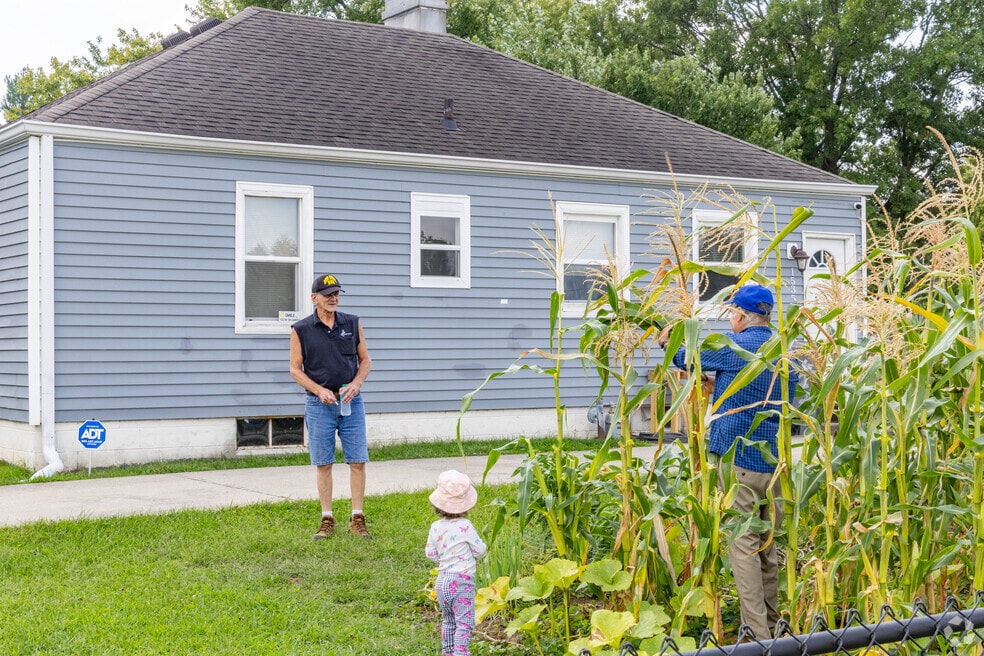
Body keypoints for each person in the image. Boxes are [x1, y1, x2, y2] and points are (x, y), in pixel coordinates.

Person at [658, 283, 795, 640]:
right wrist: (716, 388)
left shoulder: (737, 345)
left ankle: (758, 637)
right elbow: (766, 394)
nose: (730, 318)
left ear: (741, 316)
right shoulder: (783, 349)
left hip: (739, 463)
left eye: (732, 312)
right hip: (773, 466)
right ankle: (773, 626)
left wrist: (668, 341)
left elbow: (685, 357)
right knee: (766, 546)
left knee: (744, 545)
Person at [290, 274, 373, 540]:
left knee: (357, 460)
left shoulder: (352, 323)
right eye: (328, 295)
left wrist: (356, 384)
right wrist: (318, 390)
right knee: (324, 463)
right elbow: (295, 369)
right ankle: (327, 518)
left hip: (351, 403)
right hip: (319, 405)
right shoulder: (301, 329)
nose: (333, 298)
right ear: (314, 298)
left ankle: (357, 518)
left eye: (336, 294)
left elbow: (365, 361)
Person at [426, 470, 487, 656]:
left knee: (449, 620)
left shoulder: (435, 527)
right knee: (464, 622)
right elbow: (480, 550)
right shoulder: (465, 526)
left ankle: (448, 651)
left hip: (442, 581)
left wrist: (444, 559)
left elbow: (430, 553)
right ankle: (461, 653)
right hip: (461, 582)